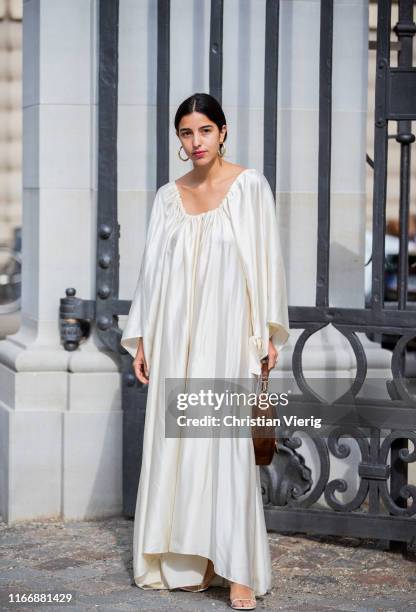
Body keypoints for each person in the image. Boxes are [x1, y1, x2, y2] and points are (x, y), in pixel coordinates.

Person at [120, 92, 290, 610]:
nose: (196, 143)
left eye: (204, 131)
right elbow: (151, 274)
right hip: (175, 340)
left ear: (223, 132)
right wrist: (143, 336)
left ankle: (238, 569)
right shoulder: (167, 197)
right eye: (186, 134)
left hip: (228, 337)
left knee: (226, 447)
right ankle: (190, 560)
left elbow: (266, 263)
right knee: (179, 447)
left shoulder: (249, 187)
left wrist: (267, 333)